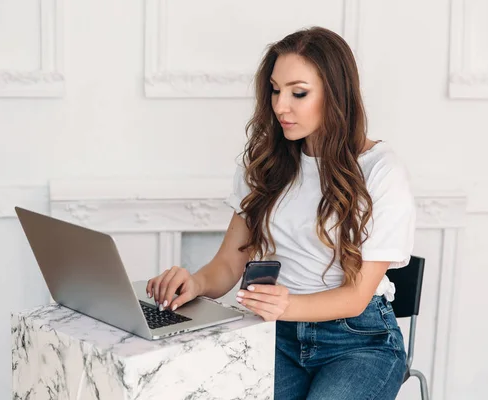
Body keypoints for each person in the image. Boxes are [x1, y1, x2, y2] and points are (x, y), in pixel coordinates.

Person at [146, 26, 416, 400]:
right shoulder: (267, 164)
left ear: (337, 95)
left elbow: (356, 296)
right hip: (276, 335)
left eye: (298, 93)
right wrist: (194, 284)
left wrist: (288, 304)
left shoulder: (381, 171)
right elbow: (227, 265)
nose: (280, 106)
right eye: (275, 89)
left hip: (358, 341)